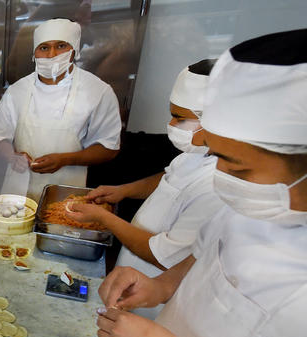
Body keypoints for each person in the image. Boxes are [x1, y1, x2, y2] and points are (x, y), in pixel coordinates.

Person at [98, 29, 307, 337]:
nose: (221, 176)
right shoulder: (255, 205)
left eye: (238, 165)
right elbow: (207, 254)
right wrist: (160, 287)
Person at [66, 59, 222, 319]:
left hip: (156, 291)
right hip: (133, 267)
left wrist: (104, 218)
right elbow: (170, 178)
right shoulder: (195, 152)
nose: (171, 125)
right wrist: (123, 190)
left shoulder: (217, 186)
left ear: (216, 122)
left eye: (180, 118)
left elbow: (162, 256)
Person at [0, 18, 121, 201]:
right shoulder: (17, 91)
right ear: (34, 53)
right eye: (44, 48)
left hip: (67, 188)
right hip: (18, 187)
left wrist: (65, 159)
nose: (51, 54)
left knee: (56, 223)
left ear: (74, 50)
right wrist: (12, 156)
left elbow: (109, 148)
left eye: (60, 46)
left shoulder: (98, 92)